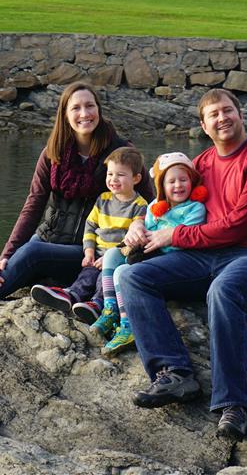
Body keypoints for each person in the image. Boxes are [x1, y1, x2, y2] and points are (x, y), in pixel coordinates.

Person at [0, 82, 153, 350]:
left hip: (89, 252)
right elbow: (33, 205)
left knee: (32, 253)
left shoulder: (120, 153)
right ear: (65, 114)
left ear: (99, 109)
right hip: (48, 238)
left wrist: (132, 240)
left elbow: (150, 206)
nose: (84, 113)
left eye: (90, 106)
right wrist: (6, 255)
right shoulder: (53, 152)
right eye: (76, 108)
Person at [117, 89, 247, 443]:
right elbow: (165, 200)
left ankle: (232, 404)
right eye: (214, 114)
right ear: (203, 125)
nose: (222, 118)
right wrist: (138, 224)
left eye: (228, 111)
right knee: (133, 277)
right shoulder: (202, 163)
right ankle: (175, 374)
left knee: (223, 290)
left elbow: (238, 226)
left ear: (240, 115)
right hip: (207, 254)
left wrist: (174, 235)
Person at [88, 151, 208, 356]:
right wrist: (137, 232)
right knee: (111, 255)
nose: (178, 185)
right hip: (147, 250)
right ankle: (110, 308)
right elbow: (146, 225)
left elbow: (188, 237)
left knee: (122, 272)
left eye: (183, 180)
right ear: (161, 185)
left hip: (168, 257)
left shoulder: (195, 209)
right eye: (171, 181)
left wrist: (160, 238)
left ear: (192, 181)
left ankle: (128, 324)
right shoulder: (155, 207)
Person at [30, 146, 147, 324]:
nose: (113, 179)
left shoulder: (140, 205)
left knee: (103, 280)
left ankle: (97, 304)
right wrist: (89, 251)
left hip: (118, 258)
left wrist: (110, 256)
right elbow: (91, 226)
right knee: (87, 275)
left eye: (121, 175)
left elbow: (133, 240)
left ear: (136, 178)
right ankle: (71, 295)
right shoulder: (103, 199)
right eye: (110, 174)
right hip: (97, 254)